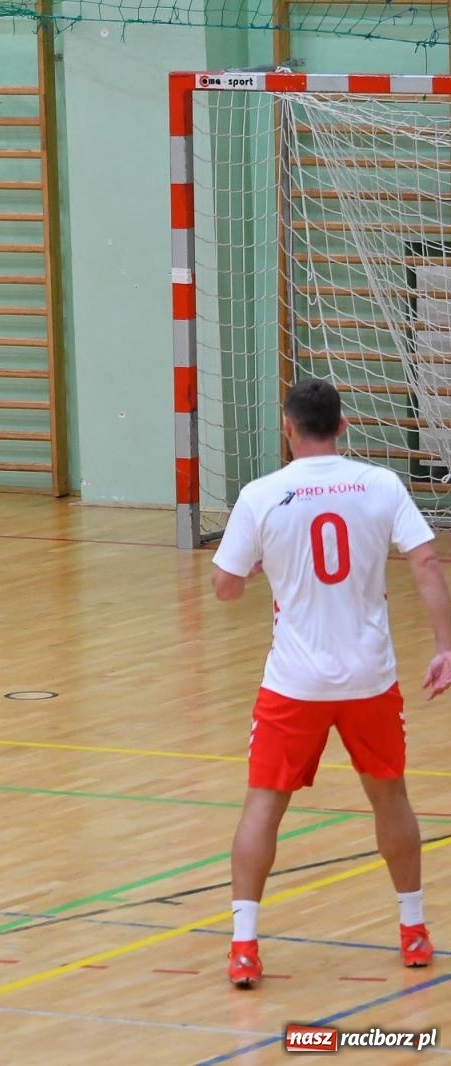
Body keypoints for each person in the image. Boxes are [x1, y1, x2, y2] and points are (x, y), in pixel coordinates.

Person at [212, 377, 451, 988]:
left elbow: (226, 587)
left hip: (294, 682)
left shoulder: (262, 494)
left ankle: (244, 946)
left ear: (287, 428)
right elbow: (425, 562)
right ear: (343, 426)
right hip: (370, 677)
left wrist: (258, 566)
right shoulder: (381, 484)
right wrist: (446, 646)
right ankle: (414, 930)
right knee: (390, 798)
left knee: (263, 805)